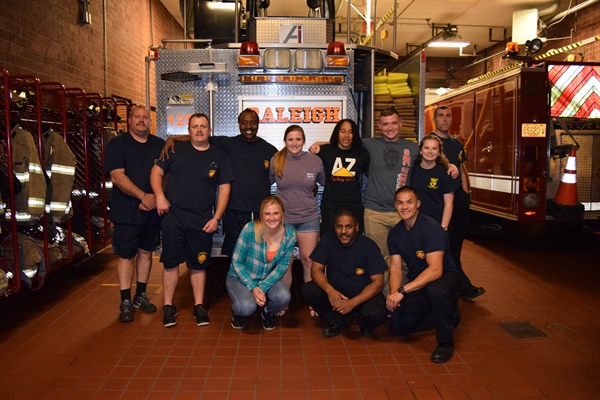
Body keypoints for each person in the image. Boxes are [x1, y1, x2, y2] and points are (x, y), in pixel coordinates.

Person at [150, 113, 233, 328]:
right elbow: (156, 172)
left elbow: (225, 189)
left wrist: (217, 218)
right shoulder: (175, 150)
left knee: (199, 265)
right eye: (195, 126)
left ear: (209, 130)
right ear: (188, 131)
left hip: (202, 220)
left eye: (203, 126)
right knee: (170, 263)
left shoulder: (219, 156)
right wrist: (160, 196)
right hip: (173, 217)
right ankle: (168, 306)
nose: (199, 130)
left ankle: (199, 306)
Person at [161, 109, 277, 257]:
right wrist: (174, 139)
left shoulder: (269, 149)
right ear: (239, 125)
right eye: (244, 122)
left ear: (258, 124)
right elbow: (200, 138)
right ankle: (234, 280)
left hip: (260, 212)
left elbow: (285, 169)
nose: (248, 126)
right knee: (235, 254)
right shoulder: (228, 143)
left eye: (252, 122)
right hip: (234, 211)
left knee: (259, 254)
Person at [104, 106, 165, 323]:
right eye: (137, 117)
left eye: (145, 118)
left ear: (150, 121)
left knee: (146, 253)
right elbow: (117, 177)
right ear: (129, 120)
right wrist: (143, 197)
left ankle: (140, 296)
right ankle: (125, 301)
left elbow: (166, 174)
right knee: (126, 256)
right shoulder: (118, 144)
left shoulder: (159, 145)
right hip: (126, 213)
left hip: (151, 212)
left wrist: (155, 197)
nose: (141, 121)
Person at [386, 187, 460, 363]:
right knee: (397, 326)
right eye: (400, 202)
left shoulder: (431, 229)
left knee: (436, 291)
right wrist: (394, 295)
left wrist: (403, 291)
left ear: (417, 204)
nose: (405, 206)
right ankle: (445, 314)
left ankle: (445, 342)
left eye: (409, 202)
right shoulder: (395, 234)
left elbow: (436, 270)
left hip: (444, 277)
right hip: (418, 281)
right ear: (395, 205)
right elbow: (395, 269)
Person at [302, 209, 388, 337]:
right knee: (308, 290)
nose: (343, 232)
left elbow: (378, 283)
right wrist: (330, 291)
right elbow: (315, 270)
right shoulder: (327, 239)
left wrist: (353, 302)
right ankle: (338, 321)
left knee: (378, 312)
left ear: (357, 227)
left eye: (348, 227)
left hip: (362, 293)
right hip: (337, 292)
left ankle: (365, 325)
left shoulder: (369, 246)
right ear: (335, 227)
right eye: (339, 227)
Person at [270, 125, 325, 317]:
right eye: (290, 139)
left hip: (308, 218)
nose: (294, 143)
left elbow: (324, 182)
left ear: (304, 140)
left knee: (308, 261)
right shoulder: (276, 160)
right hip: (284, 220)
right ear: (285, 141)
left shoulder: (315, 161)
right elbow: (266, 183)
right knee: (284, 262)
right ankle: (283, 302)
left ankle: (313, 302)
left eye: (298, 139)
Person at [430, 106, 485, 300]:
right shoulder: (430, 142)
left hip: (458, 198)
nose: (444, 119)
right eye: (441, 116)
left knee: (456, 244)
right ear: (434, 119)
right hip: (441, 201)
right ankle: (459, 285)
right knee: (444, 244)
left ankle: (457, 283)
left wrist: (466, 194)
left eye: (448, 116)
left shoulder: (456, 144)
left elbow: (462, 170)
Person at [226, 196, 296, 330]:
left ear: (282, 214)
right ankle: (238, 312)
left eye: (276, 213)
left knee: (284, 297)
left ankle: (268, 312)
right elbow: (236, 260)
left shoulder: (289, 235)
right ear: (261, 215)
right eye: (267, 214)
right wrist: (253, 287)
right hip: (240, 277)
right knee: (246, 307)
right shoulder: (250, 229)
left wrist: (262, 288)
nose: (272, 218)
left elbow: (282, 267)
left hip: (266, 277)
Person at [316, 119, 369, 235]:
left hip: (354, 207)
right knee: (329, 243)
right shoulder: (325, 151)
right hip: (331, 207)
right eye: (343, 131)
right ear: (337, 133)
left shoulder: (362, 154)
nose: (346, 135)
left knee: (354, 245)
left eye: (350, 132)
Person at [410, 134, 457, 229]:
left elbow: (449, 204)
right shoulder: (412, 169)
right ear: (421, 151)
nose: (430, 152)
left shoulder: (445, 173)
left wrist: (443, 227)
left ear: (439, 152)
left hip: (436, 223)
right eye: (426, 148)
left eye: (434, 148)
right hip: (414, 222)